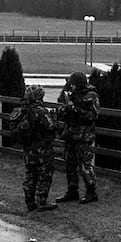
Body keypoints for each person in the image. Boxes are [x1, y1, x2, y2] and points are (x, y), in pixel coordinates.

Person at [55, 71, 100, 205]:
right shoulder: (71, 94)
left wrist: (75, 110)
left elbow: (93, 115)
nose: (70, 86)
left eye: (72, 84)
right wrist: (65, 108)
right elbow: (62, 112)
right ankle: (72, 191)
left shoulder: (91, 96)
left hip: (83, 136)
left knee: (85, 165)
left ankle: (91, 191)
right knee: (70, 164)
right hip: (70, 134)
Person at [20, 85, 57, 212]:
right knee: (44, 175)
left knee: (30, 174)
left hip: (28, 150)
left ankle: (29, 201)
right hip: (42, 150)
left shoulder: (23, 110)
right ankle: (42, 201)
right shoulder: (41, 111)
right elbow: (51, 127)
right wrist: (55, 118)